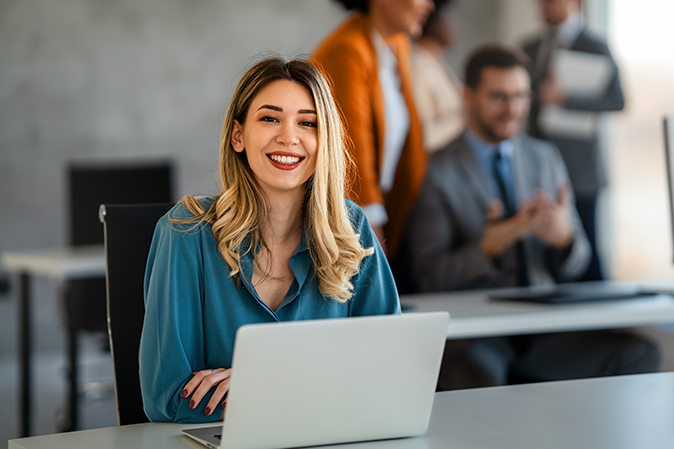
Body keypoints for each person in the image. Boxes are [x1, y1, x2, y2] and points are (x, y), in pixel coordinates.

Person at [138, 57, 400, 423]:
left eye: (307, 123)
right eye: (269, 118)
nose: (288, 137)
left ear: (323, 140)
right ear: (238, 136)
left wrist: (261, 384)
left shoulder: (351, 227)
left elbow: (391, 373)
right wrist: (324, 385)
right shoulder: (185, 231)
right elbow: (168, 400)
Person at [400, 45, 660, 390]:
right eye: (499, 97)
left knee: (640, 354)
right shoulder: (438, 171)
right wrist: (488, 248)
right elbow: (429, 277)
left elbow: (577, 261)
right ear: (467, 96)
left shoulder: (545, 158)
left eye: (521, 96)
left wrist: (564, 240)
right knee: (479, 374)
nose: (513, 109)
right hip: (479, 335)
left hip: (544, 328)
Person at [312, 0, 434, 258]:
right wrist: (377, 258)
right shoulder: (346, 51)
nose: (429, 5)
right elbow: (354, 173)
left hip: (383, 216)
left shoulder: (395, 43)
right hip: (344, 224)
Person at [522, 0, 625, 281]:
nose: (544, 6)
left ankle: (602, 322)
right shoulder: (529, 47)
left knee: (587, 253)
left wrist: (565, 99)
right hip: (537, 166)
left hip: (580, 170)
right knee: (547, 253)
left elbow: (618, 100)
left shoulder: (594, 45)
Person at [410, 0, 464, 153]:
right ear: (432, 22)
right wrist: (464, 118)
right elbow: (424, 136)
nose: (453, 26)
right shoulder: (416, 66)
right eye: (447, 19)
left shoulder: (437, 62)